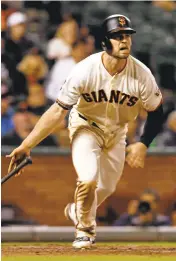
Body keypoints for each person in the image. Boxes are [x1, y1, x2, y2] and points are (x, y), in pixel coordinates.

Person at [7, 14, 164, 249]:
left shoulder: (141, 74)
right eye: (117, 37)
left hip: (118, 133)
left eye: (127, 36)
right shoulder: (85, 70)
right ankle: (84, 231)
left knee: (107, 187)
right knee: (88, 178)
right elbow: (57, 112)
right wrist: (27, 144)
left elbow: (157, 112)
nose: (124, 41)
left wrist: (143, 143)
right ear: (104, 42)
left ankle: (76, 210)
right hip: (85, 126)